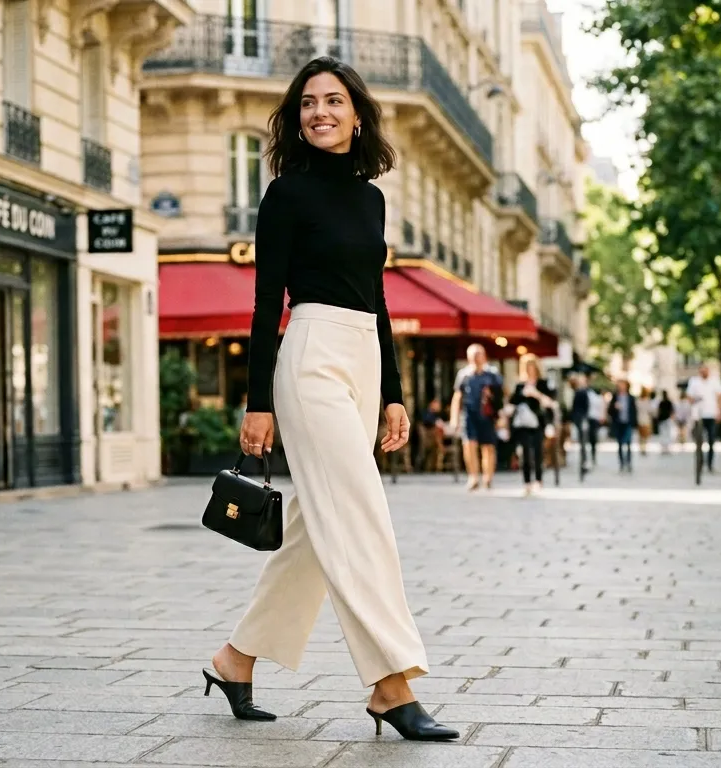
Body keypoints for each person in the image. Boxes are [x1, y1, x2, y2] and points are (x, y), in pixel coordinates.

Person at [220, 57, 458, 742]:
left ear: (358, 112)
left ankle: (234, 659)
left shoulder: (370, 198)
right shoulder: (285, 195)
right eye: (307, 104)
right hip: (311, 357)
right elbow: (268, 303)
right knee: (359, 513)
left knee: (317, 529)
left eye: (333, 100)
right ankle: (391, 683)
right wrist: (257, 399)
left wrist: (393, 393)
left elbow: (378, 302)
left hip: (359, 356)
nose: (319, 112)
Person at [450, 344, 504, 490]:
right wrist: (454, 418)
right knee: (469, 445)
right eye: (473, 355)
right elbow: (457, 396)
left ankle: (488, 477)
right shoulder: (464, 374)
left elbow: (500, 396)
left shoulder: (492, 374)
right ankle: (473, 476)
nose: (475, 358)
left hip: (487, 415)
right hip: (469, 414)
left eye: (478, 354)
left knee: (488, 447)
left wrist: (500, 416)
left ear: (484, 356)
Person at [509, 353, 557, 495]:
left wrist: (535, 394)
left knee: (537, 452)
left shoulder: (543, 384)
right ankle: (526, 482)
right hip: (523, 423)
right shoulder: (520, 386)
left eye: (532, 366)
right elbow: (513, 403)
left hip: (539, 423)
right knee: (524, 452)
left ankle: (538, 480)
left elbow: (550, 403)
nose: (530, 369)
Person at [685, 363, 721, 472]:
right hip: (698, 415)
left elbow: (720, 396)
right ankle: (700, 461)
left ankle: (710, 463)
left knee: (712, 440)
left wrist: (720, 412)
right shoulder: (694, 382)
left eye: (705, 371)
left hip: (712, 414)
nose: (704, 373)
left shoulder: (715, 381)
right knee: (699, 440)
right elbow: (689, 397)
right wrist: (694, 400)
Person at [609, 380, 637, 472]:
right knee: (620, 444)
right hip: (618, 423)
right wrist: (614, 407)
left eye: (623, 385)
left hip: (628, 423)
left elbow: (634, 411)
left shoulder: (631, 398)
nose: (621, 387)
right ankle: (621, 463)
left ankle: (628, 462)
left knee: (628, 443)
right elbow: (609, 411)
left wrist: (634, 424)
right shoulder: (615, 397)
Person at [568, 374, 592, 471]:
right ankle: (583, 462)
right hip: (577, 419)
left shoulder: (581, 392)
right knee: (581, 442)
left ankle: (584, 462)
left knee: (582, 442)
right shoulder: (575, 392)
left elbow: (585, 407)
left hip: (580, 419)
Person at [586, 385, 607, 465]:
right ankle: (591, 455)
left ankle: (593, 455)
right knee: (591, 437)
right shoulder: (592, 396)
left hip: (594, 419)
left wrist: (602, 417)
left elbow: (602, 408)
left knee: (593, 438)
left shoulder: (598, 398)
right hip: (590, 419)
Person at [655, 390, 676, 454]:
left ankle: (665, 448)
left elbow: (659, 411)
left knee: (664, 434)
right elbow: (672, 411)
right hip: (665, 419)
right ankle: (665, 448)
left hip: (664, 419)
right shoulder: (667, 402)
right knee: (667, 434)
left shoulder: (662, 402)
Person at [635, 390, 655, 457]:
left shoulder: (638, 401)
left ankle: (642, 448)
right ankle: (644, 448)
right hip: (645, 420)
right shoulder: (647, 401)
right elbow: (651, 410)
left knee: (641, 436)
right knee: (645, 436)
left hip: (640, 420)